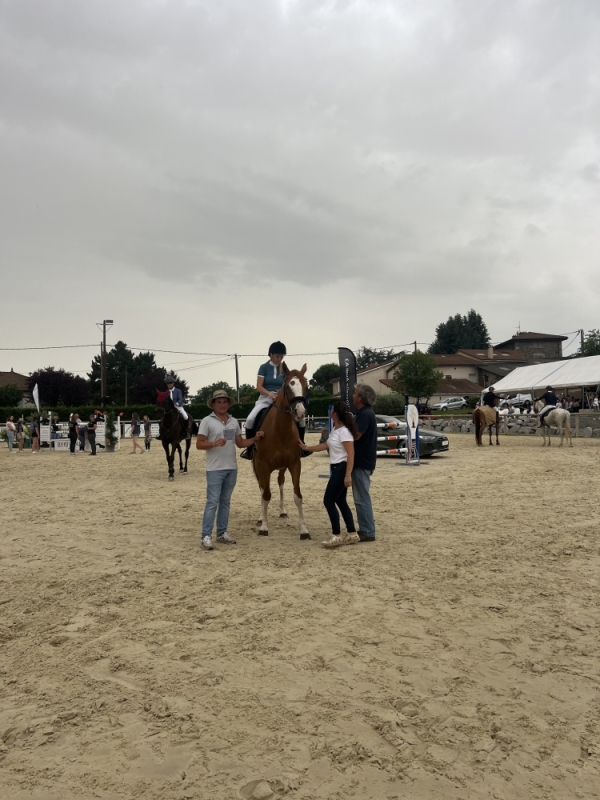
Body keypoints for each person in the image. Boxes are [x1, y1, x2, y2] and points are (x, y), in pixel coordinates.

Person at [196, 389, 264, 551]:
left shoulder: (233, 422)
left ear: (228, 403)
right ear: (213, 404)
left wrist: (255, 439)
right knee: (212, 502)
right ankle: (206, 535)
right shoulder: (207, 421)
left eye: (225, 401)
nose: (222, 404)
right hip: (214, 469)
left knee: (225, 502)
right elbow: (199, 444)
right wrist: (213, 444)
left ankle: (221, 532)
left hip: (231, 468)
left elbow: (240, 443)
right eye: (219, 402)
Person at [299, 401, 360, 548]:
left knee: (328, 501)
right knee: (340, 502)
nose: (330, 412)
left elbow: (351, 453)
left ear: (335, 414)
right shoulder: (336, 430)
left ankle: (336, 534)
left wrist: (347, 475)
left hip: (341, 468)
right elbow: (325, 445)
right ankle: (352, 533)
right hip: (336, 468)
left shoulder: (344, 431)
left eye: (332, 410)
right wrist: (306, 447)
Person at [242, 341, 308, 459]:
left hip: (281, 400)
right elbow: (259, 387)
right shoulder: (264, 368)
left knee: (301, 419)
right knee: (250, 419)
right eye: (277, 356)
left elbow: (289, 384)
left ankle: (301, 447)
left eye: (282, 356)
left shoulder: (284, 369)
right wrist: (270, 394)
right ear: (271, 355)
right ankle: (250, 449)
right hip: (265, 399)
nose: (279, 359)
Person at [351, 384, 378, 543]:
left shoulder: (365, 415)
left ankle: (367, 531)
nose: (353, 395)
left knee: (362, 498)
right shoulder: (364, 413)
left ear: (360, 398)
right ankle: (366, 529)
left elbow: (355, 435)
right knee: (361, 497)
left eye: (355, 393)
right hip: (363, 461)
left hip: (362, 462)